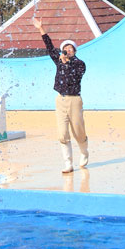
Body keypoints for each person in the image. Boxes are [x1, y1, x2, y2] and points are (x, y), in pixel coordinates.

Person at [32, 16, 88, 173]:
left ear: (75, 51)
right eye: (66, 48)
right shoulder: (59, 60)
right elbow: (49, 46)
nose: (68, 50)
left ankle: (84, 152)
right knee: (62, 133)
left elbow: (75, 77)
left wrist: (67, 63)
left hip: (75, 100)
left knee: (78, 131)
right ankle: (68, 163)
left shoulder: (79, 64)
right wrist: (40, 28)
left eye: (71, 48)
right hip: (60, 100)